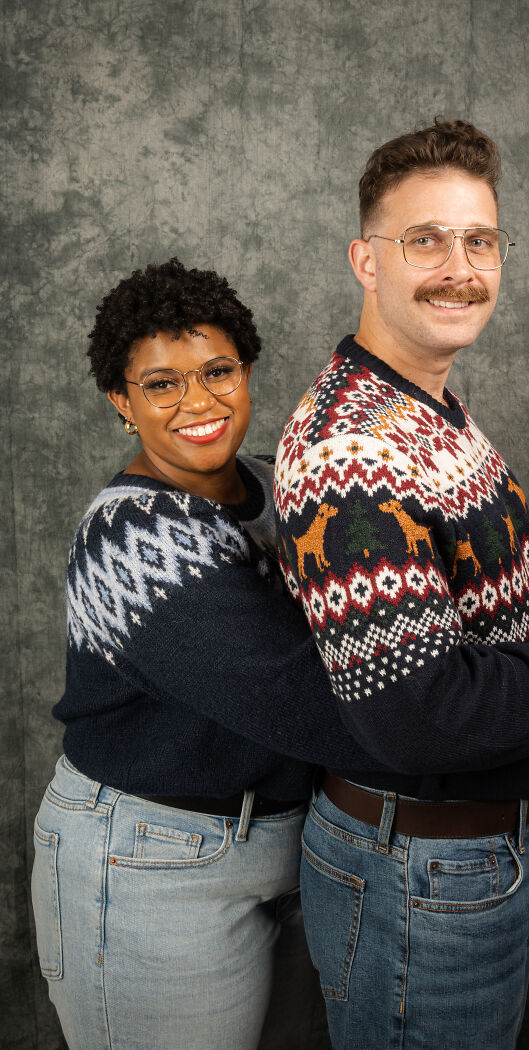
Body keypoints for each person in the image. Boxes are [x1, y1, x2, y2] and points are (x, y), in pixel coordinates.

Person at [274, 120, 529, 1049]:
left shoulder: (422, 400)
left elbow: (483, 564)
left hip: (465, 861)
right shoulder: (354, 447)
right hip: (420, 874)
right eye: (423, 239)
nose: (458, 267)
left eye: (481, 240)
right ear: (365, 259)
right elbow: (417, 711)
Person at [30, 258, 383, 1050]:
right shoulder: (132, 538)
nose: (198, 402)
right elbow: (306, 704)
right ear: (122, 402)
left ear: (246, 370)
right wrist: (516, 711)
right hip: (151, 861)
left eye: (216, 371)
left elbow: (433, 550)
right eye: (161, 385)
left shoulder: (275, 484)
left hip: (288, 848)